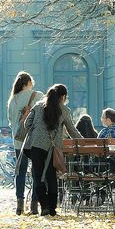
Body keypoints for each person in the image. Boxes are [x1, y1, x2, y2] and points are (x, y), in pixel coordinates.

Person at [21, 83, 81, 216]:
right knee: (51, 177)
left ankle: (44, 208)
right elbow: (72, 131)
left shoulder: (38, 106)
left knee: (38, 177)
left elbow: (27, 124)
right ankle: (52, 209)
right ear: (63, 96)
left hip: (36, 146)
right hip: (52, 148)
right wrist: (85, 141)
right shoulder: (64, 110)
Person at [7, 72, 43, 215]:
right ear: (28, 83)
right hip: (35, 140)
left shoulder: (12, 100)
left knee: (20, 172)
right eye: (31, 82)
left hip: (18, 140)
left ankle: (19, 205)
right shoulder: (38, 95)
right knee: (36, 172)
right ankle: (34, 205)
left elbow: (10, 121)